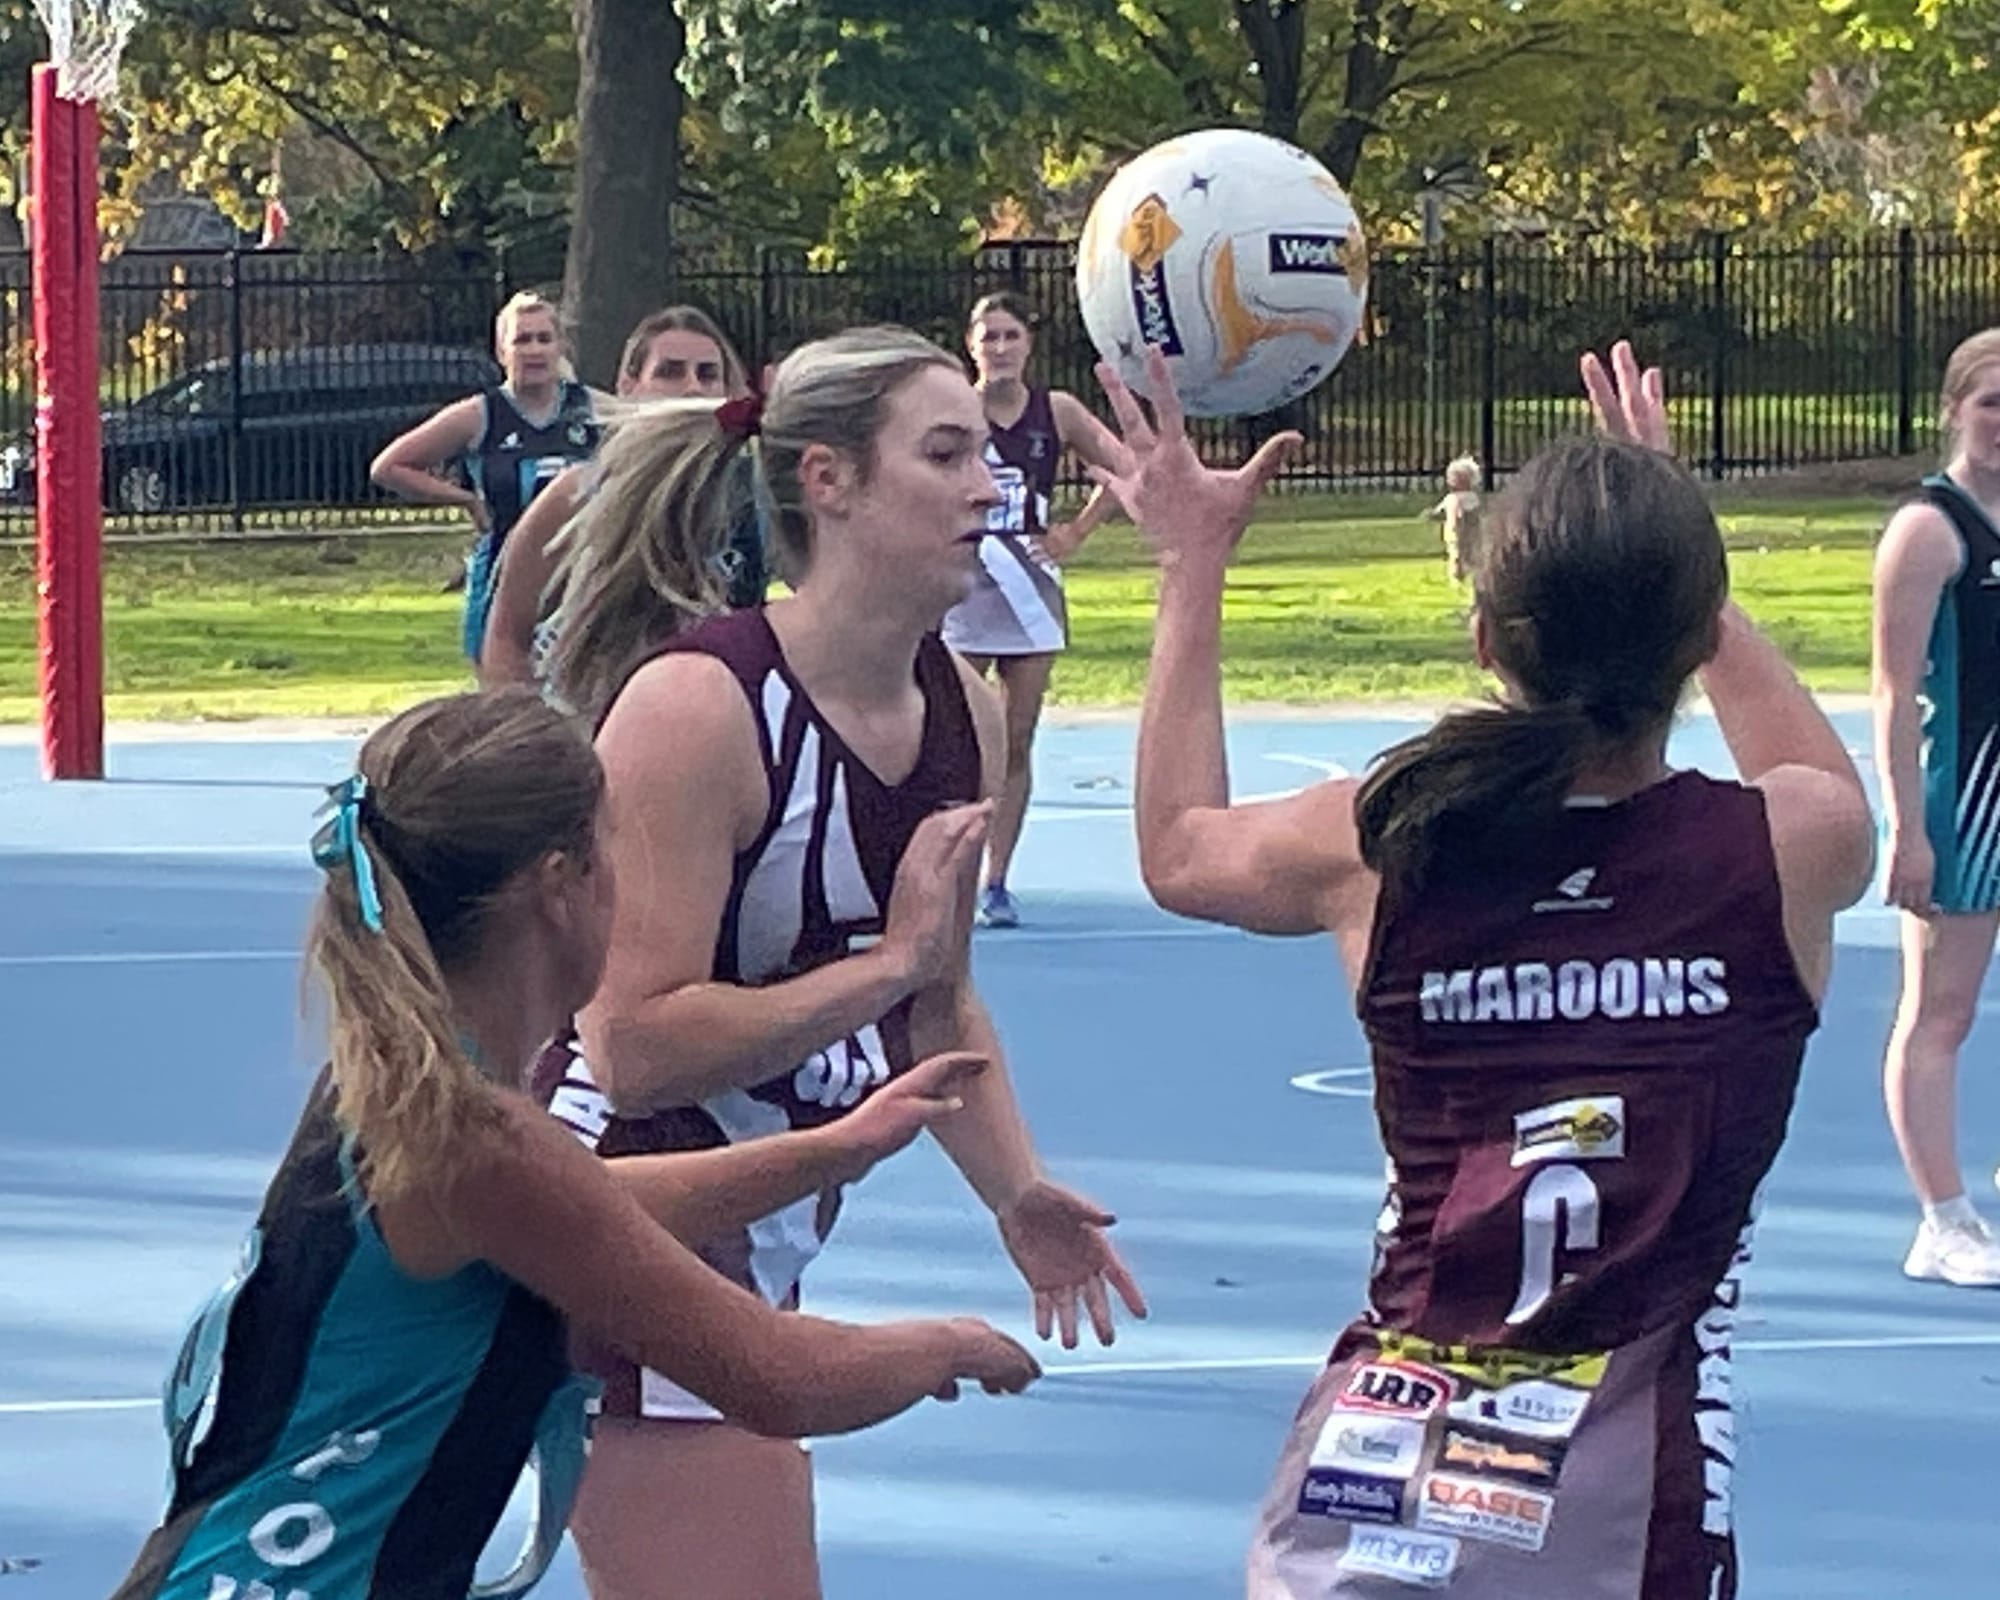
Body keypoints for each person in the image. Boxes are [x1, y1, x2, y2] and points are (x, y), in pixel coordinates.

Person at [1110, 340, 1873, 1597]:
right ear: (1690, 637)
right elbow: (1821, 779)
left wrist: (1190, 565)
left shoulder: (1388, 839)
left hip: (1380, 1468)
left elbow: (1177, 849)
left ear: (1482, 636)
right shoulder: (1781, 846)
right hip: (1623, 1501)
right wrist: (1684, 562)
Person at [109, 688, 1040, 1600]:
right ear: (561, 886)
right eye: (613, 851)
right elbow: (779, 1379)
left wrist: (833, 1149)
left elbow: (593, 1212)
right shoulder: (480, 1140)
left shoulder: (402, 1089)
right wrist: (948, 1345)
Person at [536, 325, 1147, 1599]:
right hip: (622, 1208)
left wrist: (1014, 1190)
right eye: (944, 453)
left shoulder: (957, 707)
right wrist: (883, 971)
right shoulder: (700, 705)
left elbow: (940, 995)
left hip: (753, 1215)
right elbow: (630, 1047)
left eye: (986, 452)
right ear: (828, 481)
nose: (989, 485)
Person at [1872, 325, 2000, 1287]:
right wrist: (1908, 833)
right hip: (1967, 801)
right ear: (1955, 409)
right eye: (1991, 402)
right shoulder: (1930, 529)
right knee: (1940, 1011)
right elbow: (1892, 689)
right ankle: (1942, 1218)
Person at [939, 291, 1127, 928]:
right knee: (956, 734)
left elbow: (1125, 467)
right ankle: (945, 876)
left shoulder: (1058, 410)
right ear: (971, 346)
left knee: (1017, 735)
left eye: (1009, 336)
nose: (998, 348)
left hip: (1030, 581)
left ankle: (998, 879)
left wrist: (1078, 530)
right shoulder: (949, 409)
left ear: (1028, 344)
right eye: (987, 336)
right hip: (965, 576)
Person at [480, 306, 756, 689]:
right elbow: (507, 637)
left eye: (708, 375)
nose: (692, 387)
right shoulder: (577, 496)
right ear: (629, 386)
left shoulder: (753, 500)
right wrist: (527, 735)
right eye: (669, 372)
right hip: (593, 716)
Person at [370, 292, 599, 662]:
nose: (534, 350)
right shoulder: (480, 415)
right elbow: (389, 467)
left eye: (544, 338)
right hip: (502, 572)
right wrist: (465, 500)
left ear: (561, 347)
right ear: (502, 351)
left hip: (579, 576)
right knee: (505, 697)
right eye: (522, 340)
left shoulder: (593, 410)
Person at [1426, 453, 1484, 583]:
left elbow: (1472, 513)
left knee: (1464, 553)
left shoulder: (1468, 497)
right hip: (1454, 531)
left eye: (1456, 477)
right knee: (1456, 554)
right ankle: (1458, 575)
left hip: (1466, 530)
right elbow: (1441, 511)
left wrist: (1464, 520)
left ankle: (1465, 574)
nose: (1451, 480)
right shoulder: (1452, 498)